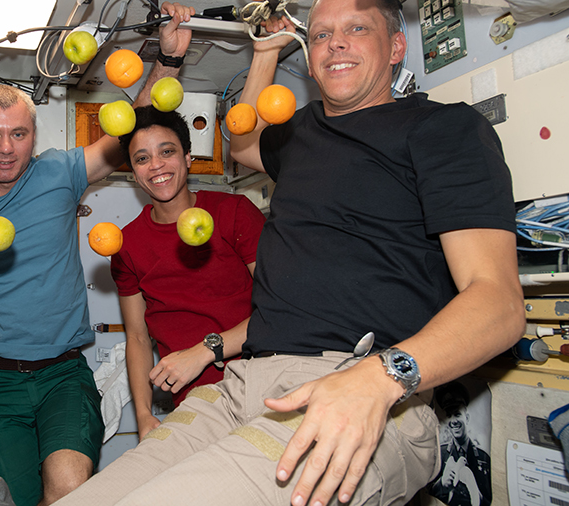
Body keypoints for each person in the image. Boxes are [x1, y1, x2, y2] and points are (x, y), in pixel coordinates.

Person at [54, 0, 525, 504]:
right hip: (240, 385)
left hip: (354, 384)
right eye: (320, 35)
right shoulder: (303, 132)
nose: (335, 43)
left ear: (397, 47)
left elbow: (499, 304)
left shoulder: (444, 129)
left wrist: (384, 376)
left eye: (357, 28)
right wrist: (263, 52)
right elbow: (242, 142)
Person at [0, 5, 195, 505]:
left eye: (18, 134)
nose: (6, 148)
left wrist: (169, 62)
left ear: (34, 137)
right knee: (12, 498)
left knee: (69, 489)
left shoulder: (58, 174)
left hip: (64, 373)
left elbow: (126, 124)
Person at [112, 106, 264, 439]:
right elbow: (137, 337)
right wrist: (142, 414)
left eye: (167, 152)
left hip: (261, 384)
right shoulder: (126, 246)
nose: (156, 166)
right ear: (133, 172)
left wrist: (205, 351)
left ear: (188, 158)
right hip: (194, 404)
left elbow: (283, 308)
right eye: (142, 158)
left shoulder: (234, 213)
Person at [429, 382, 492, 506]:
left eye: (457, 415)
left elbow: (487, 500)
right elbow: (427, 490)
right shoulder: (440, 452)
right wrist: (442, 483)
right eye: (449, 416)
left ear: (467, 418)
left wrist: (473, 489)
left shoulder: (482, 457)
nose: (453, 421)